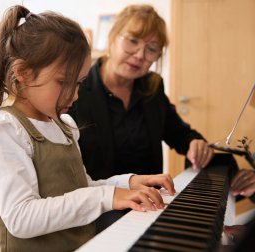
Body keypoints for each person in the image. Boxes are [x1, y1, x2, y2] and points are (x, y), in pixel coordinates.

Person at [0, 5, 176, 252]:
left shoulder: (63, 127)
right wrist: (108, 197)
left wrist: (128, 183)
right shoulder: (4, 130)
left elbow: (81, 189)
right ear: (23, 73)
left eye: (80, 83)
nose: (75, 95)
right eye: (63, 82)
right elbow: (21, 218)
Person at [68, 4, 213, 232]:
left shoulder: (152, 88)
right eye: (133, 41)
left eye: (152, 49)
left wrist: (194, 142)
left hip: (149, 202)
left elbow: (179, 133)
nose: (139, 56)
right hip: (101, 206)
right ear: (113, 36)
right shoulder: (78, 90)